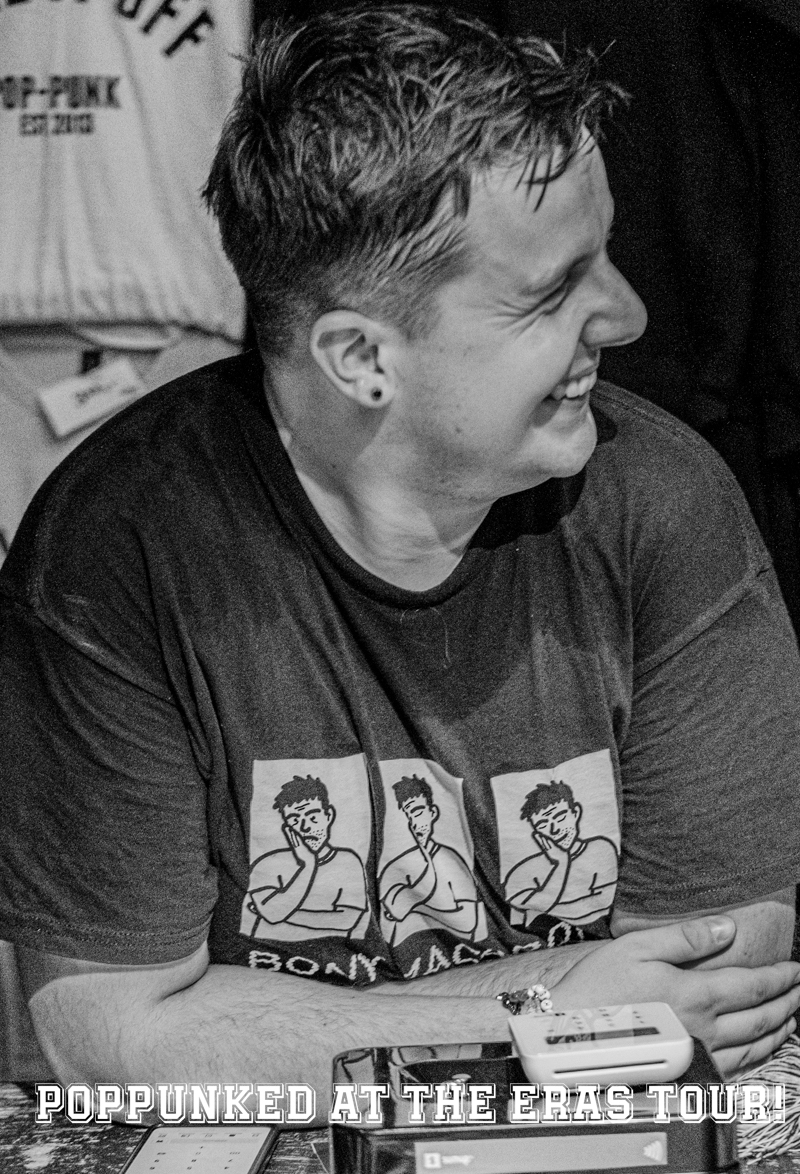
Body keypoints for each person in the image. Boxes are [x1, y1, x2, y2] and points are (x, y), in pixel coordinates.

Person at [1, 5, 800, 1117]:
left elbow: (717, 984)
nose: (625, 315)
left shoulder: (662, 504)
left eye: (606, 256)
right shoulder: (115, 553)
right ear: (359, 358)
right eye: (550, 291)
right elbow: (104, 1038)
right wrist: (543, 1017)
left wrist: (264, 1030)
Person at [243, 774, 370, 941]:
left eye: (313, 817)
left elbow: (347, 920)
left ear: (329, 816)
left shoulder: (348, 861)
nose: (305, 827)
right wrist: (308, 866)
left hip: (331, 952)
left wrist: (285, 913)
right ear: (287, 827)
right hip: (262, 953)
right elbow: (272, 914)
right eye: (295, 820)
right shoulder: (268, 862)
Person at [379, 774, 482, 944]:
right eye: (405, 816)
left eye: (417, 812)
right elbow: (392, 915)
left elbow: (469, 921)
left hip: (458, 949)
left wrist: (416, 905)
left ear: (432, 812)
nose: (412, 822)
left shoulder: (450, 860)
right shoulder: (394, 867)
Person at [504, 780, 618, 929]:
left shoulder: (600, 848)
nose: (554, 829)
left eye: (560, 817)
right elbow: (517, 917)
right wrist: (561, 864)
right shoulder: (524, 870)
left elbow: (606, 902)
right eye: (543, 824)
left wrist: (542, 907)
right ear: (536, 832)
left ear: (575, 813)